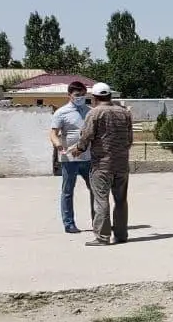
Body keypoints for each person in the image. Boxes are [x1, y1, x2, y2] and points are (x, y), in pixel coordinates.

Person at [70, 82, 133, 246]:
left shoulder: (94, 113)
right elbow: (129, 140)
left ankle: (102, 237)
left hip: (102, 165)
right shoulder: (124, 113)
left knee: (101, 200)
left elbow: (87, 135)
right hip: (122, 165)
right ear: (110, 95)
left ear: (94, 97)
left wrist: (79, 149)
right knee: (121, 200)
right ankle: (121, 234)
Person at [48, 81, 93, 233]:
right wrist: (58, 145)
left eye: (83, 95)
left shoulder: (90, 112)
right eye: (77, 95)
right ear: (69, 95)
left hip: (89, 157)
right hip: (70, 159)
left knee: (95, 190)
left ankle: (98, 221)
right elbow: (53, 133)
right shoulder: (61, 113)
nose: (80, 98)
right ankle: (69, 224)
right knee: (67, 191)